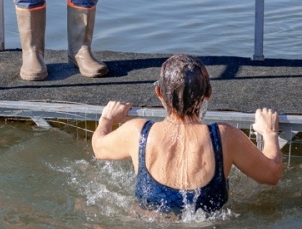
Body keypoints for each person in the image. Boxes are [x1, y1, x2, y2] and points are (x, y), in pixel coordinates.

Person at [92, 54, 283, 215]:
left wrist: (107, 120)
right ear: (208, 94)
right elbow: (272, 175)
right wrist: (270, 133)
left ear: (158, 92)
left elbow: (99, 148)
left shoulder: (137, 132)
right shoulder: (225, 137)